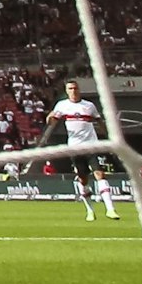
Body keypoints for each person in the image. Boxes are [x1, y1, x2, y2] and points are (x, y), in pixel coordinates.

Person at [48, 78, 118, 221]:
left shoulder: (89, 106)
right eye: (70, 89)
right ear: (66, 91)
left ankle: (110, 209)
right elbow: (52, 121)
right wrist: (49, 117)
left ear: (79, 89)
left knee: (99, 174)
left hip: (91, 145)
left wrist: (110, 139)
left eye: (75, 88)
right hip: (75, 147)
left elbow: (99, 122)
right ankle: (90, 210)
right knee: (83, 179)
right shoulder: (62, 106)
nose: (73, 91)